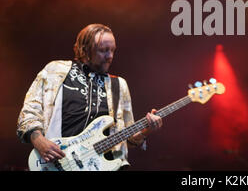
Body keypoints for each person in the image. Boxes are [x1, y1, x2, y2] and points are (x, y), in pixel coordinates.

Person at [17, 23, 162, 169]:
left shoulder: (119, 85)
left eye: (112, 50)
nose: (110, 56)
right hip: (58, 163)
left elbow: (127, 139)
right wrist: (39, 140)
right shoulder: (55, 70)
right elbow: (29, 111)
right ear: (84, 50)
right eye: (103, 50)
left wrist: (146, 130)